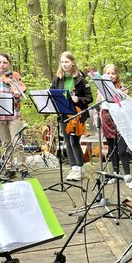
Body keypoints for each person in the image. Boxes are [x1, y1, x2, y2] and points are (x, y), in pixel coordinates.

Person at [51, 51, 93, 181]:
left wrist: (78, 99)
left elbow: (89, 98)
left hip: (77, 114)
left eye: (67, 62)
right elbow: (52, 94)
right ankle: (74, 167)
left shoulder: (80, 80)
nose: (64, 64)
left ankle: (80, 169)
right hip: (63, 113)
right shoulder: (57, 78)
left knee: (74, 142)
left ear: (73, 62)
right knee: (67, 141)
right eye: (62, 62)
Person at [95, 64, 132, 189]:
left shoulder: (122, 88)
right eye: (108, 73)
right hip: (106, 117)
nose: (110, 76)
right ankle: (115, 174)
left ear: (117, 75)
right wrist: (96, 115)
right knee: (111, 148)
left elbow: (127, 104)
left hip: (119, 117)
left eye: (113, 73)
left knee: (122, 150)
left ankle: (128, 177)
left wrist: (125, 95)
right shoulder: (101, 88)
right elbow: (98, 104)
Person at [0, 53, 30, 179]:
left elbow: (19, 97)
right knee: (6, 143)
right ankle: (9, 169)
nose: (2, 65)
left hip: (14, 114)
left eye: (4, 62)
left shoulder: (14, 77)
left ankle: (23, 168)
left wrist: (16, 91)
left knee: (17, 142)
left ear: (9, 64)